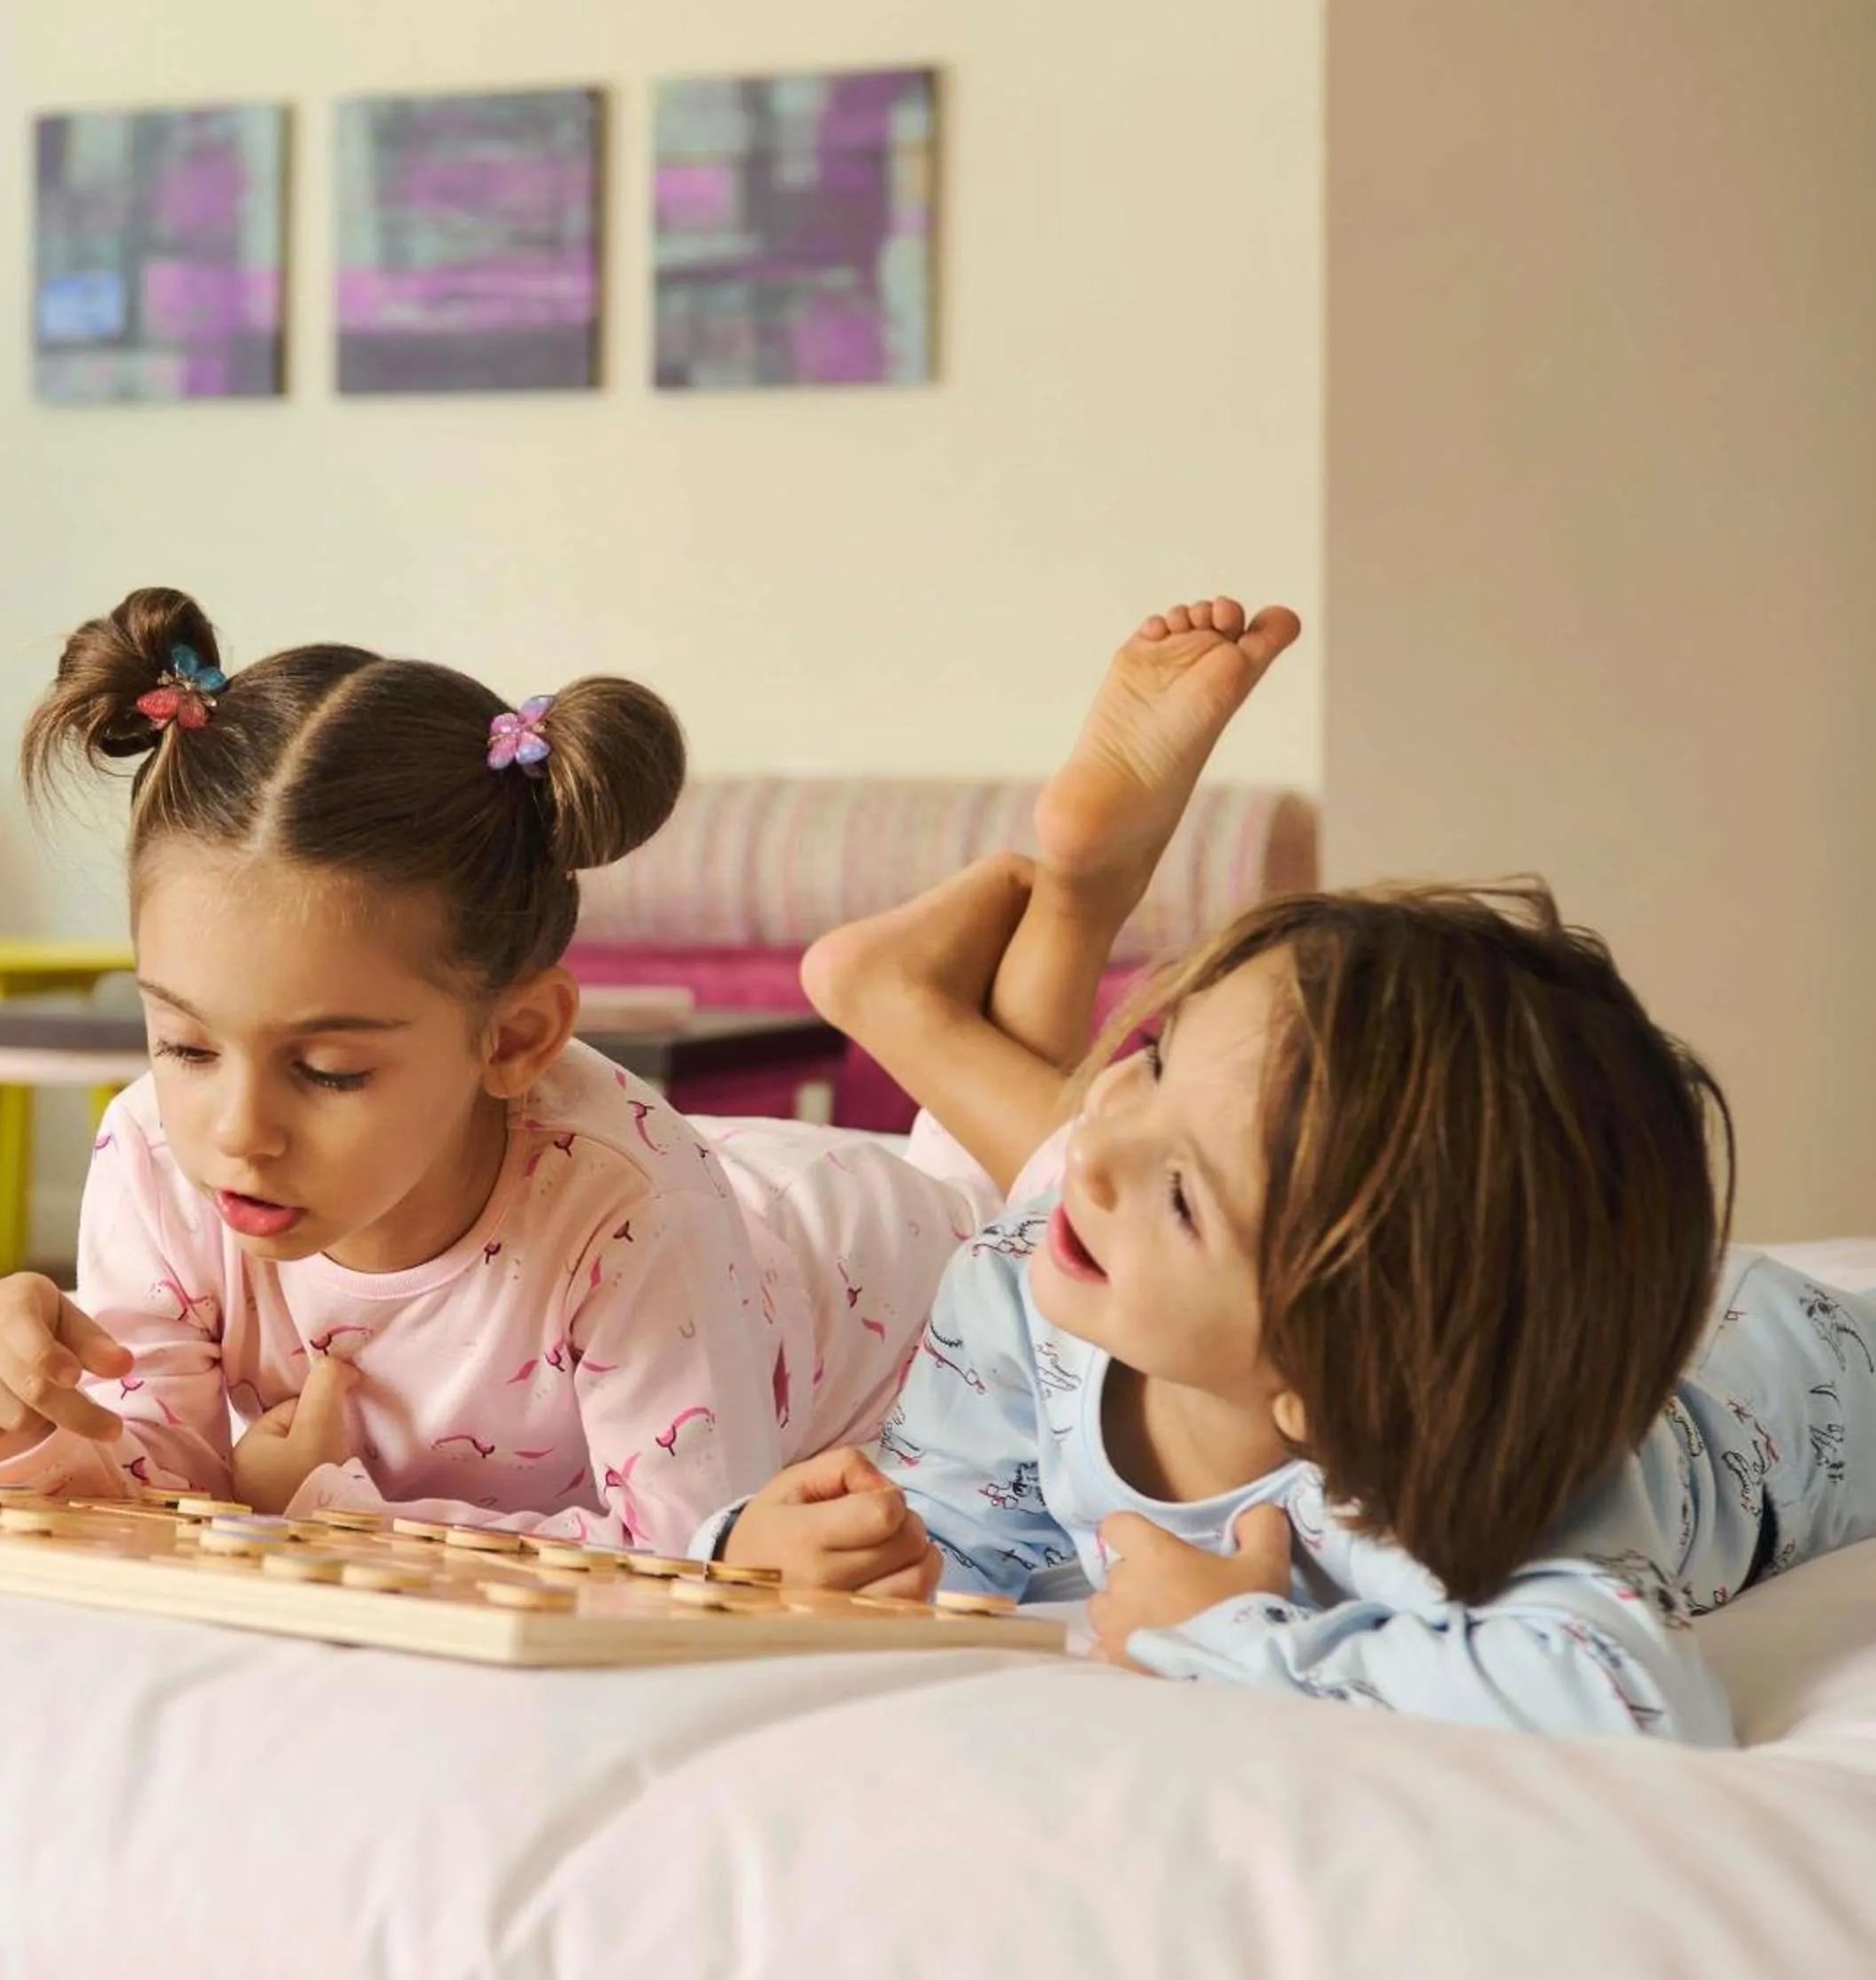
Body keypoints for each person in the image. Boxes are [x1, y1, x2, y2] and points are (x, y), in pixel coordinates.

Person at [706, 595, 1876, 1743]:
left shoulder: (1430, 1486)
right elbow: (946, 1537)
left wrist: (1231, 1633)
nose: (1094, 1149)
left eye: (1181, 1196)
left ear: (1328, 1383)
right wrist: (765, 1549)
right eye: (1154, 1059)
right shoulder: (1022, 1283)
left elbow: (1632, 1698)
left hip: (1795, 1373)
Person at [0, 587, 976, 1552]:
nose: (238, 1130)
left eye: (329, 1069)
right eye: (187, 1046)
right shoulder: (159, 1146)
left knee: (1004, 1199)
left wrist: (311, 1509)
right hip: (730, 1182)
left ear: (514, 1040)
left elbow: (687, 1551)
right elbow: (162, 1487)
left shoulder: (635, 1217)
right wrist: (17, 1419)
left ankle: (982, 960)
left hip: (866, 1255)